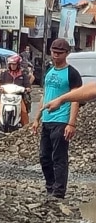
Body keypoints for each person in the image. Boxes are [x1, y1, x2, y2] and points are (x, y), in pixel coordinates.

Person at [32, 38, 82, 200]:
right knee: (44, 157)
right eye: (54, 52)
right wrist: (37, 118)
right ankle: (50, 187)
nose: (56, 56)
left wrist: (71, 123)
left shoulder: (72, 73)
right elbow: (45, 95)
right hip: (47, 119)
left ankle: (59, 192)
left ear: (67, 54)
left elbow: (76, 99)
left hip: (61, 119)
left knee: (59, 157)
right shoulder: (49, 70)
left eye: (60, 53)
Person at [0, 54, 31, 131]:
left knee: (23, 111)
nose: (13, 66)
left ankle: (27, 130)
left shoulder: (23, 73)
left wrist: (27, 89)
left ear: (18, 64)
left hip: (18, 96)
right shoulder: (4, 73)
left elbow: (28, 84)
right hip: (5, 95)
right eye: (11, 64)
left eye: (14, 64)